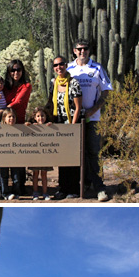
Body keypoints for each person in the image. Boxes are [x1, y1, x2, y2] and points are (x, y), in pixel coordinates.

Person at [67, 39, 112, 202]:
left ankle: (99, 187)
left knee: (93, 152)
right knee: (78, 153)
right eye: (79, 49)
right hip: (73, 119)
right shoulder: (68, 68)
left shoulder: (97, 68)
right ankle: (83, 184)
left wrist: (93, 110)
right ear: (74, 51)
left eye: (85, 49)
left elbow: (106, 91)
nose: (82, 52)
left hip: (92, 118)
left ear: (89, 50)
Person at [0, 59, 32, 196]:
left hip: (18, 124)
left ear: (22, 71)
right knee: (0, 156)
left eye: (18, 69)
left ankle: (19, 186)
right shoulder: (5, 86)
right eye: (12, 70)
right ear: (8, 72)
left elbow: (18, 102)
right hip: (3, 126)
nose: (15, 72)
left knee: (19, 158)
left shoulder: (26, 85)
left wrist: (1, 111)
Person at [47, 56, 82, 199]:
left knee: (72, 159)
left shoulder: (74, 83)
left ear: (66, 65)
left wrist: (73, 128)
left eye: (61, 64)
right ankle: (63, 188)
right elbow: (50, 103)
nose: (59, 67)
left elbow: (78, 107)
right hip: (58, 124)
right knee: (61, 158)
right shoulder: (53, 82)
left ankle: (73, 189)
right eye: (56, 65)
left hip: (71, 124)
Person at [25, 106, 53, 200]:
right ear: (34, 117)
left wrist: (50, 126)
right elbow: (25, 126)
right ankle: (35, 192)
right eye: (38, 116)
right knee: (35, 174)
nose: (40, 118)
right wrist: (29, 124)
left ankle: (45, 193)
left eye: (42, 115)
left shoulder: (49, 126)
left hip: (45, 154)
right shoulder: (32, 126)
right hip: (35, 155)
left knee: (44, 174)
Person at [0, 107, 18, 200]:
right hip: (2, 156)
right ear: (4, 119)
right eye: (9, 117)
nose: (12, 119)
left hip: (14, 156)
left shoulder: (19, 129)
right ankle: (4, 192)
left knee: (16, 175)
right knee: (3, 174)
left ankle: (15, 191)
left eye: (13, 117)